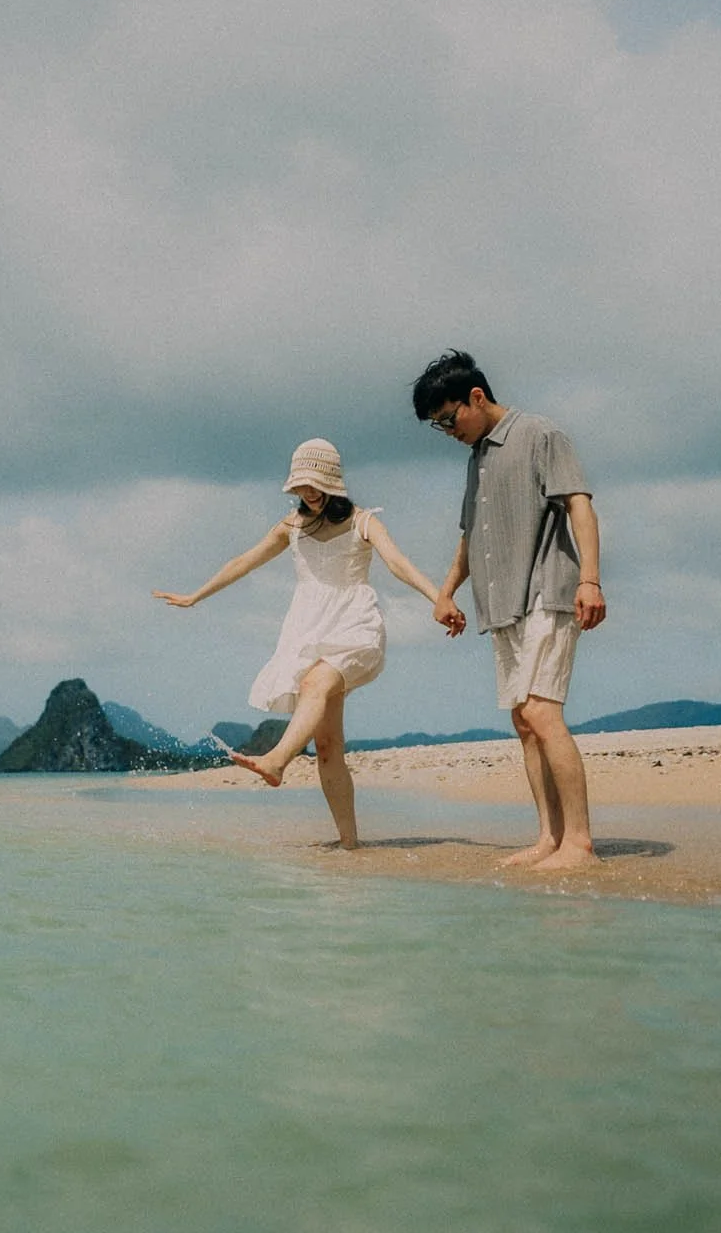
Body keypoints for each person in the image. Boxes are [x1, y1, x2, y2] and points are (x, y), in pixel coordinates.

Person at [155, 438, 458, 850]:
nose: (308, 492)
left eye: (315, 484)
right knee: (327, 746)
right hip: (309, 630)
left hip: (354, 626)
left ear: (332, 480)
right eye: (300, 485)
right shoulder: (291, 527)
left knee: (314, 683)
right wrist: (195, 596)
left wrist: (438, 598)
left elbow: (398, 564)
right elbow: (244, 562)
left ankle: (277, 760)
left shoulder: (364, 522)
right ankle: (349, 843)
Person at [410, 349, 606, 872]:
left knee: (542, 711)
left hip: (546, 587)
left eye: (449, 419)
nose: (448, 432)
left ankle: (579, 843)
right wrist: (446, 593)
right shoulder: (475, 460)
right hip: (501, 603)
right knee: (524, 721)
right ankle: (549, 837)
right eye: (438, 426)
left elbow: (579, 503)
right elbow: (470, 535)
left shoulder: (540, 434)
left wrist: (590, 579)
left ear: (476, 397)